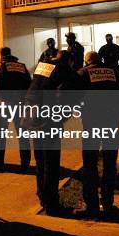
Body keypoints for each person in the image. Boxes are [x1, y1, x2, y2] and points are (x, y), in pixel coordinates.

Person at [24, 51, 80, 216]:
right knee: (52, 163)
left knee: (41, 161)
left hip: (33, 117)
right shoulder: (64, 69)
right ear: (69, 60)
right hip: (48, 120)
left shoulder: (42, 65)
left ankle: (42, 196)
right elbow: (72, 93)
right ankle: (52, 205)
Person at [77, 51, 119, 219]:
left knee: (90, 164)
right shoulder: (112, 72)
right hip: (111, 122)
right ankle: (108, 203)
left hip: (92, 123)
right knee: (110, 163)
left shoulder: (83, 73)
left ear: (87, 61)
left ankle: (92, 206)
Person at [0, 47, 32, 172]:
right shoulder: (22, 66)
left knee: (1, 133)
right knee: (22, 133)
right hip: (20, 104)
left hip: (5, 104)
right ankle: (25, 163)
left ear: (0, 54)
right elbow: (29, 84)